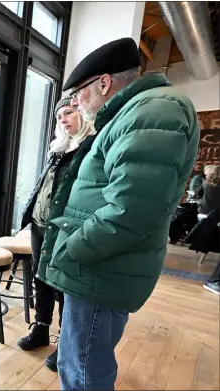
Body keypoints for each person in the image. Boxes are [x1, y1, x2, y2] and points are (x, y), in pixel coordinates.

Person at [37, 38, 200, 390]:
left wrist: (73, 248)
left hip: (101, 267)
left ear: (104, 83)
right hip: (103, 266)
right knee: (79, 363)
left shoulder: (153, 111)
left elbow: (131, 210)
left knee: (83, 372)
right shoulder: (140, 111)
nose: (77, 102)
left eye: (78, 92)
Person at [17, 97, 96, 372]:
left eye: (68, 112)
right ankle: (40, 330)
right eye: (59, 115)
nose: (63, 119)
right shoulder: (59, 148)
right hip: (41, 224)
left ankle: (64, 343)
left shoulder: (90, 146)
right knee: (42, 280)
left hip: (63, 229)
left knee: (62, 285)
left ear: (82, 113)